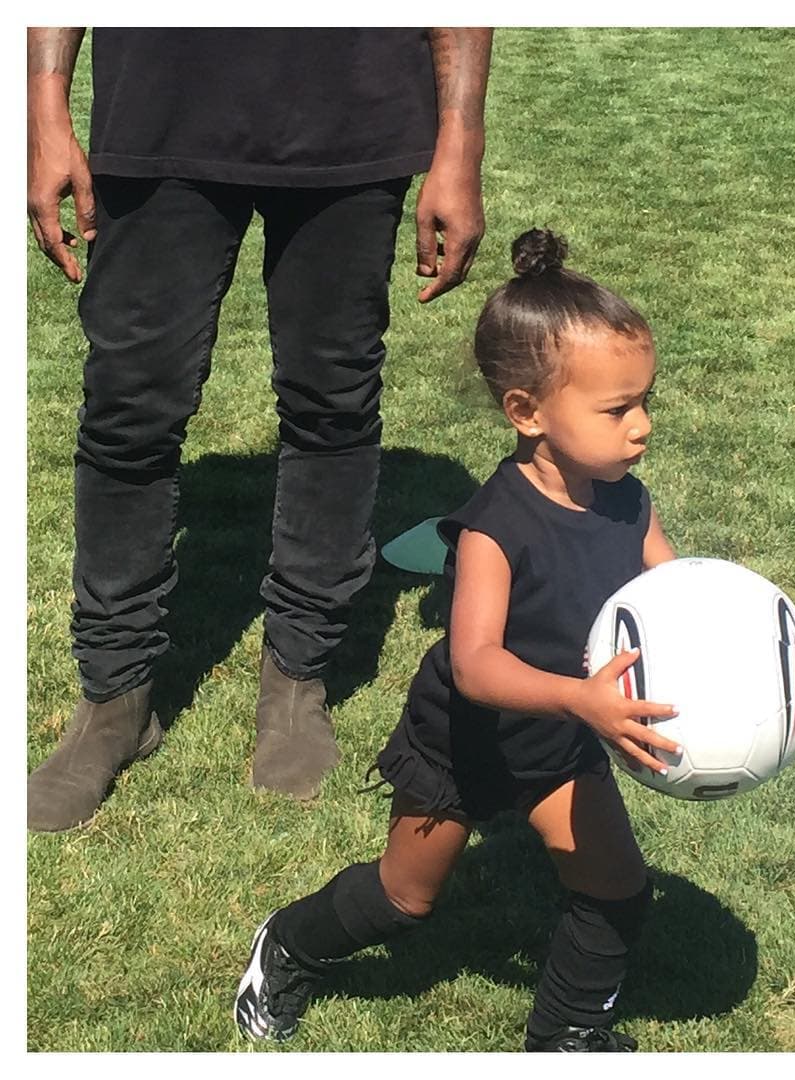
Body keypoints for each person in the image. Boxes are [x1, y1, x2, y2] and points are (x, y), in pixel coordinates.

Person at [26, 28, 493, 831]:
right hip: (159, 110)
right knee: (128, 409)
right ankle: (115, 699)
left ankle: (297, 679)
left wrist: (461, 136)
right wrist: (45, 106)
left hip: (354, 109)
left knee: (331, 402)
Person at [234, 229, 683, 1052]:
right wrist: (583, 698)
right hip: (463, 742)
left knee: (618, 889)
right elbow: (476, 665)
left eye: (645, 401)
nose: (642, 426)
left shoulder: (629, 502)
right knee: (405, 899)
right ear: (527, 412)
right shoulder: (493, 528)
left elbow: (674, 598)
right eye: (618, 409)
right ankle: (290, 944)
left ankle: (567, 1035)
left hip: (561, 736)